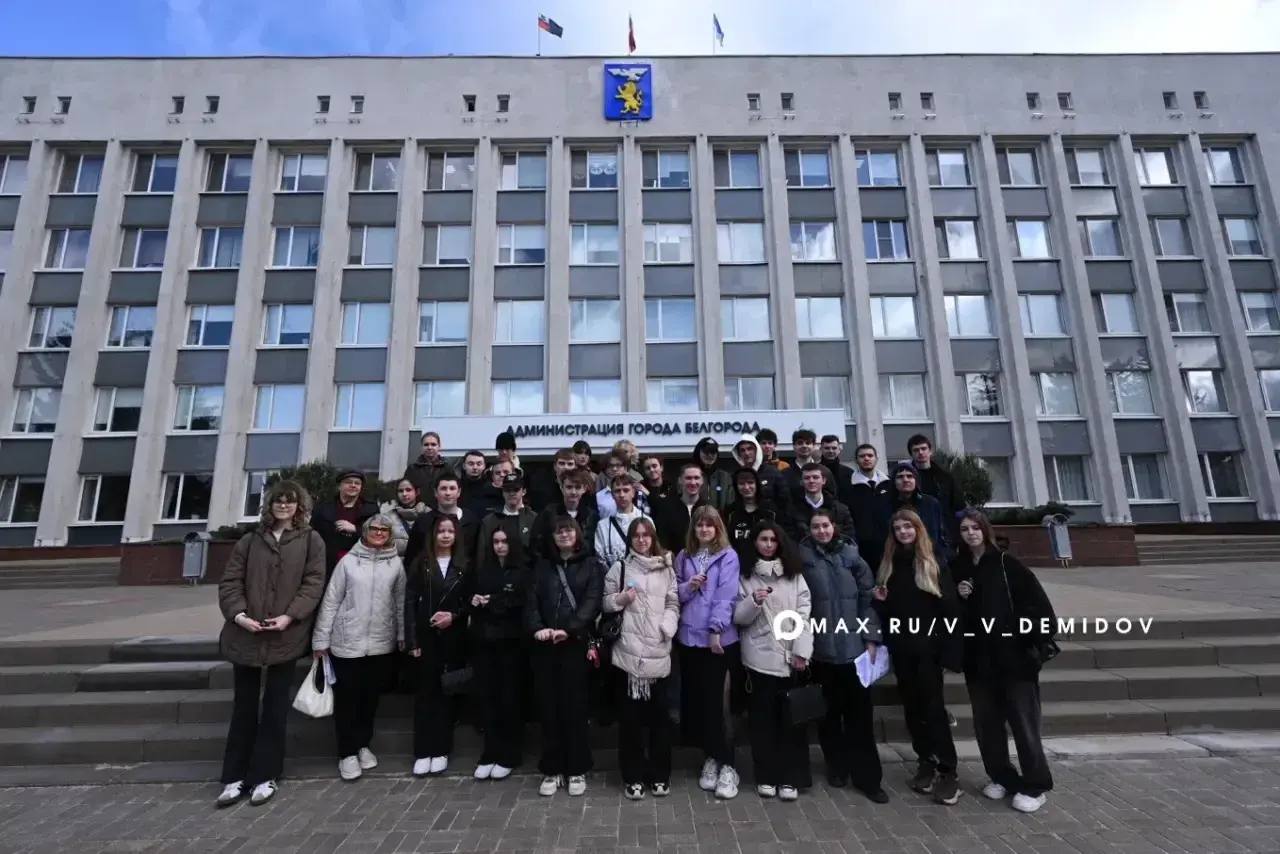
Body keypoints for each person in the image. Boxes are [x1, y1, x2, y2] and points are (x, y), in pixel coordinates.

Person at [215, 480, 325, 808]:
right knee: (244, 708)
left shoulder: (310, 540)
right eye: (279, 501)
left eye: (290, 501)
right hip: (245, 635)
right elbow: (230, 581)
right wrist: (239, 615)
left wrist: (290, 616)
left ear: (299, 506)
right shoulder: (250, 540)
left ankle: (265, 775)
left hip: (285, 637)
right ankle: (234, 777)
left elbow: (313, 582)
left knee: (275, 709)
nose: (284, 506)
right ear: (270, 504)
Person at [952, 509, 1057, 814]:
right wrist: (961, 596)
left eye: (975, 527)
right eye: (964, 529)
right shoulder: (958, 567)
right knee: (988, 726)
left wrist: (1017, 631)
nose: (970, 533)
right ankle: (1002, 776)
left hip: (1014, 660)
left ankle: (1036, 785)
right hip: (979, 661)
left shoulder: (1007, 564)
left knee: (1023, 725)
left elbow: (1040, 609)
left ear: (986, 530)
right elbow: (952, 613)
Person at [873, 509, 963, 806]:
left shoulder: (932, 561)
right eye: (898, 528)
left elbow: (949, 607)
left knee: (933, 710)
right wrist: (880, 602)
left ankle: (948, 770)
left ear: (918, 528)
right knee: (913, 710)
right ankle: (925, 760)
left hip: (929, 650)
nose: (903, 532)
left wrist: (948, 650)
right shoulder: (889, 564)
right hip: (902, 650)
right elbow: (889, 612)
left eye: (908, 526)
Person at [800, 509, 887, 803]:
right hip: (821, 650)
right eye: (816, 526)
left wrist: (871, 637)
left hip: (853, 651)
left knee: (860, 718)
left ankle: (868, 778)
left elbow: (868, 598)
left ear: (833, 527)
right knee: (828, 716)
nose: (821, 531)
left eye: (825, 525)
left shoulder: (852, 556)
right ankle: (837, 766)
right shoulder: (803, 558)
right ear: (809, 530)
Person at [311, 515, 405, 781]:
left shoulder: (395, 564)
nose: (378, 533)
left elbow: (399, 602)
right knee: (348, 700)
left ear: (389, 534)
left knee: (369, 700)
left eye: (383, 530)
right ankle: (347, 753)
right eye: (373, 528)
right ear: (364, 532)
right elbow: (331, 601)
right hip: (347, 642)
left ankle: (363, 744)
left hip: (380, 643)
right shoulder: (348, 562)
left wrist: (401, 634)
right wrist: (321, 640)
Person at [734, 521, 813, 802]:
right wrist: (753, 602)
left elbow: (804, 613)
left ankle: (791, 777)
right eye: (763, 539)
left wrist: (802, 650)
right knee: (762, 722)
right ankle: (765, 775)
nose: (768, 544)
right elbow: (738, 618)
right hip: (758, 658)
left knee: (791, 722)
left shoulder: (793, 575)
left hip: (791, 657)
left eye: (772, 540)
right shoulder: (745, 575)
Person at [602, 517, 679, 800]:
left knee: (660, 722)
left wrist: (667, 627)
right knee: (631, 723)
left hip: (659, 651)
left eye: (647, 535)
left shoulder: (666, 568)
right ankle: (632, 776)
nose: (642, 540)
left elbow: (673, 602)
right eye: (637, 535)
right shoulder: (620, 567)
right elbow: (605, 601)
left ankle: (660, 775)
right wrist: (621, 599)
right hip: (628, 655)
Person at [526, 516, 603, 797]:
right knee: (549, 709)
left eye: (569, 530)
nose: (564, 535)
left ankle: (577, 767)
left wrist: (569, 629)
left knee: (575, 708)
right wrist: (538, 629)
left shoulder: (591, 565)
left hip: (575, 644)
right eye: (559, 531)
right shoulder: (542, 566)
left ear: (578, 534)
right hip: (546, 645)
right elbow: (531, 601)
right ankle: (552, 767)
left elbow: (592, 602)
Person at [675, 506, 741, 800]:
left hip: (717, 640)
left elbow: (726, 595)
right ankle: (711, 756)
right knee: (701, 703)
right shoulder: (683, 556)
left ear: (718, 528)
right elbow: (674, 592)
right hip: (689, 639)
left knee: (720, 704)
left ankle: (728, 764)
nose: (704, 530)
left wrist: (716, 628)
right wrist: (689, 586)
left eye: (709, 525)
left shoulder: (728, 556)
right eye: (699, 525)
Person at [405, 514, 471, 777]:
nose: (445, 535)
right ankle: (423, 750)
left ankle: (442, 749)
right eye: (441, 531)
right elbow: (409, 601)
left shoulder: (465, 564)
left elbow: (469, 601)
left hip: (453, 637)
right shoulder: (421, 562)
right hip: (426, 636)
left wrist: (453, 617)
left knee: (446, 695)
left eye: (450, 531)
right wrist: (412, 639)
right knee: (425, 695)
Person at [470, 526, 533, 781]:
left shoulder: (523, 571)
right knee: (489, 698)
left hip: (512, 643)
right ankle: (490, 751)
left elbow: (521, 602)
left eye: (504, 541)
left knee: (510, 699)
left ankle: (510, 752)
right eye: (496, 541)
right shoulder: (485, 570)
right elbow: (473, 599)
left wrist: (493, 602)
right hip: (486, 642)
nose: (500, 546)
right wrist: (476, 602)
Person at [403, 472, 479, 572]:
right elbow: (411, 558)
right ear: (435, 492)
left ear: (459, 492)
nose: (448, 493)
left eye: (452, 488)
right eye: (443, 488)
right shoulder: (423, 522)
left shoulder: (472, 521)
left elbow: (478, 557)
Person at [875, 462, 947, 565]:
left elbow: (940, 534)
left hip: (929, 559)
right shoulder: (884, 506)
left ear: (916, 480)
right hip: (897, 561)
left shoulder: (931, 503)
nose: (905, 480)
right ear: (894, 482)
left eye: (910, 476)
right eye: (900, 477)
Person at [311, 470, 378, 578]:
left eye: (357, 483)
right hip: (327, 563)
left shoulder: (371, 509)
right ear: (339, 486)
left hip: (360, 563)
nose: (353, 485)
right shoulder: (322, 508)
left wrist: (356, 529)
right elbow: (312, 534)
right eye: (348, 482)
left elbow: (377, 535)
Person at [530, 468, 599, 561]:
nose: (573, 492)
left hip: (583, 568)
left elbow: (593, 546)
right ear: (561, 488)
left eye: (578, 487)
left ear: (584, 489)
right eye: (569, 487)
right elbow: (536, 543)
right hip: (553, 567)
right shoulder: (549, 513)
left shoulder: (592, 516)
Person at [908, 434, 959, 552]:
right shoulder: (906, 479)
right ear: (911, 454)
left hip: (944, 534)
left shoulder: (945, 478)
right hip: (916, 533)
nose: (920, 452)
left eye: (923, 449)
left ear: (930, 451)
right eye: (916, 450)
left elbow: (957, 506)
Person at [475, 472, 538, 564]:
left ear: (523, 491)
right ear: (502, 492)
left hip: (527, 574)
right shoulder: (489, 521)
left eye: (516, 489)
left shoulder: (534, 519)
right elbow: (482, 554)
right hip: (497, 574)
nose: (511, 493)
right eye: (507, 490)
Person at [785, 463, 855, 544]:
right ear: (801, 482)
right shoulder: (791, 510)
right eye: (807, 478)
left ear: (824, 480)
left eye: (815, 477)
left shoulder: (840, 509)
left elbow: (849, 537)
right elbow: (789, 539)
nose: (811, 481)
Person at [595, 474, 652, 568]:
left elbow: (652, 552)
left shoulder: (647, 521)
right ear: (612, 495)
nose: (622, 495)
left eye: (626, 490)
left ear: (633, 493)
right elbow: (600, 558)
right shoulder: (603, 526)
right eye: (617, 491)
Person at [651, 463, 709, 555]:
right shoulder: (666, 508)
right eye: (688, 478)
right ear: (680, 480)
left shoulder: (708, 508)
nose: (693, 482)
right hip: (674, 564)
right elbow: (662, 540)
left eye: (696, 478)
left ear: (702, 481)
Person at [848, 444, 890, 570]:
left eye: (870, 455)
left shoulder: (889, 484)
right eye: (862, 456)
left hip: (888, 545)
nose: (866, 458)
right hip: (862, 548)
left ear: (876, 458)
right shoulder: (848, 486)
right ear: (856, 460)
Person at [724, 467, 778, 565]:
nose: (746, 487)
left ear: (757, 484)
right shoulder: (730, 512)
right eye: (741, 484)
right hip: (737, 567)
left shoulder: (771, 511)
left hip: (766, 566)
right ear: (736, 487)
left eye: (750, 482)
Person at [731, 433, 790, 514]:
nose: (747, 453)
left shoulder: (773, 473)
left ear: (757, 450)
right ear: (739, 454)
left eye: (749, 449)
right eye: (742, 450)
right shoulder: (735, 476)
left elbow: (785, 501)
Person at [595, 453, 651, 519]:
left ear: (625, 468)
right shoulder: (598, 496)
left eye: (618, 465)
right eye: (610, 466)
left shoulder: (637, 493)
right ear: (605, 470)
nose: (614, 469)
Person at [381, 478, 427, 557]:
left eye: (408, 490)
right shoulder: (387, 517)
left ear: (417, 492)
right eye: (400, 491)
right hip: (396, 566)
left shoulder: (429, 514)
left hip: (421, 566)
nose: (404, 494)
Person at [404, 432, 450, 504]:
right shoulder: (412, 469)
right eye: (426, 444)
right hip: (419, 511)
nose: (429, 447)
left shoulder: (447, 468)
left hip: (442, 510)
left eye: (433, 444)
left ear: (439, 446)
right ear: (421, 447)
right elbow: (406, 491)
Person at [691, 437, 734, 512]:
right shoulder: (689, 475)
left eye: (713, 452)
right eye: (706, 452)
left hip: (719, 521)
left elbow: (731, 505)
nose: (710, 455)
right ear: (698, 453)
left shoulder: (725, 477)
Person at [783, 428, 824, 502]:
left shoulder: (824, 471)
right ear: (793, 446)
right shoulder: (784, 474)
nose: (804, 446)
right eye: (800, 443)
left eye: (808, 443)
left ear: (814, 446)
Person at [819, 435, 857, 507]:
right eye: (827, 448)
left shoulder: (849, 473)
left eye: (834, 448)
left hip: (845, 514)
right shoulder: (814, 471)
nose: (830, 451)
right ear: (821, 449)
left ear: (839, 450)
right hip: (821, 514)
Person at [458, 450, 492, 517]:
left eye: (479, 464)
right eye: (471, 464)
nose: (475, 467)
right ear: (464, 466)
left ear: (484, 466)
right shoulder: (456, 487)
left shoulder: (491, 487)